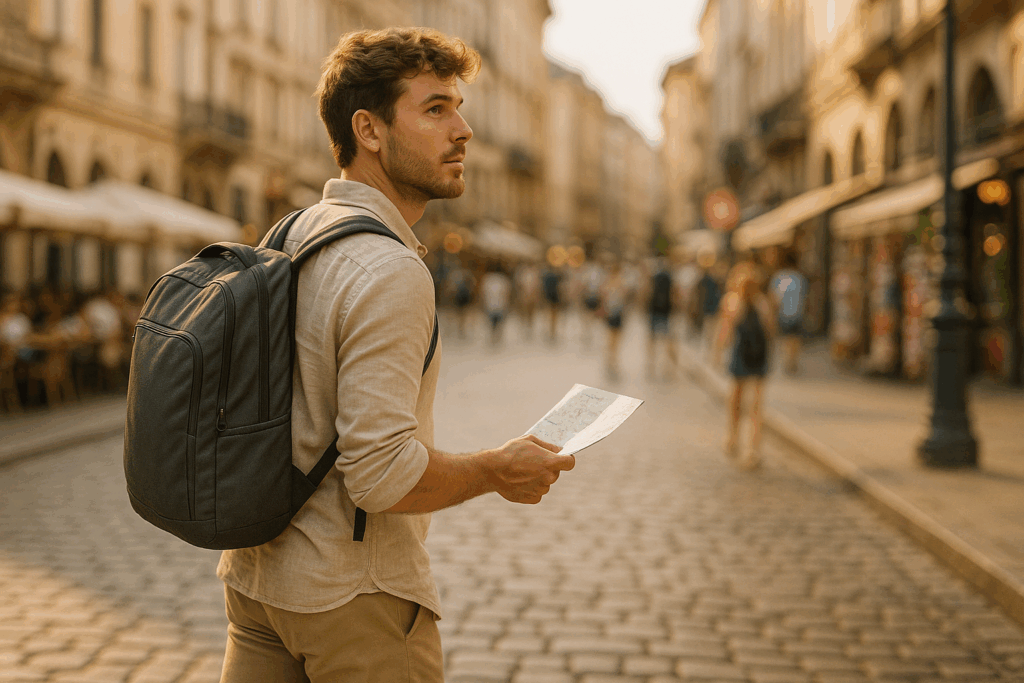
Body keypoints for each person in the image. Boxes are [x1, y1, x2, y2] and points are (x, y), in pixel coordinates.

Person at [216, 28, 575, 683]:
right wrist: (497, 468)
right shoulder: (389, 267)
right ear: (369, 130)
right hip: (353, 599)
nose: (463, 129)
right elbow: (379, 474)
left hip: (257, 583)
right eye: (435, 109)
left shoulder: (289, 232)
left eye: (458, 108)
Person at [715, 269, 774, 470]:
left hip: (741, 355)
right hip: (759, 358)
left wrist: (717, 353)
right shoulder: (762, 303)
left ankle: (733, 437)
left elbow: (725, 330)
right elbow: (771, 330)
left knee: (736, 399)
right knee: (756, 405)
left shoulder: (732, 302)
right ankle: (753, 449)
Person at [770, 252, 809, 374]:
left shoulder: (779, 277)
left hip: (783, 312)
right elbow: (804, 296)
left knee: (786, 338)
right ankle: (792, 359)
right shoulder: (799, 277)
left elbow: (774, 296)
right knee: (795, 338)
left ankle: (788, 359)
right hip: (797, 311)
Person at [646, 257, 679, 378]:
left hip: (654, 309)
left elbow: (648, 291)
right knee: (667, 338)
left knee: (652, 338)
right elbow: (674, 293)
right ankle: (667, 366)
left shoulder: (654, 277)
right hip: (666, 310)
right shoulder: (670, 277)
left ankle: (651, 363)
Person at [600, 261, 629, 379]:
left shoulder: (607, 282)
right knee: (615, 339)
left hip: (611, 313)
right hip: (617, 313)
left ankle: (610, 360)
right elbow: (624, 299)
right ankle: (612, 361)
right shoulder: (621, 282)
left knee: (610, 338)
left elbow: (603, 298)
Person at [480, 263, 512, 346]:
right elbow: (506, 293)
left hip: (489, 304)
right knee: (499, 321)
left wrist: (482, 303)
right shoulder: (503, 279)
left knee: (491, 321)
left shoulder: (487, 279)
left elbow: (483, 292)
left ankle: (492, 335)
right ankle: (497, 336)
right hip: (500, 304)